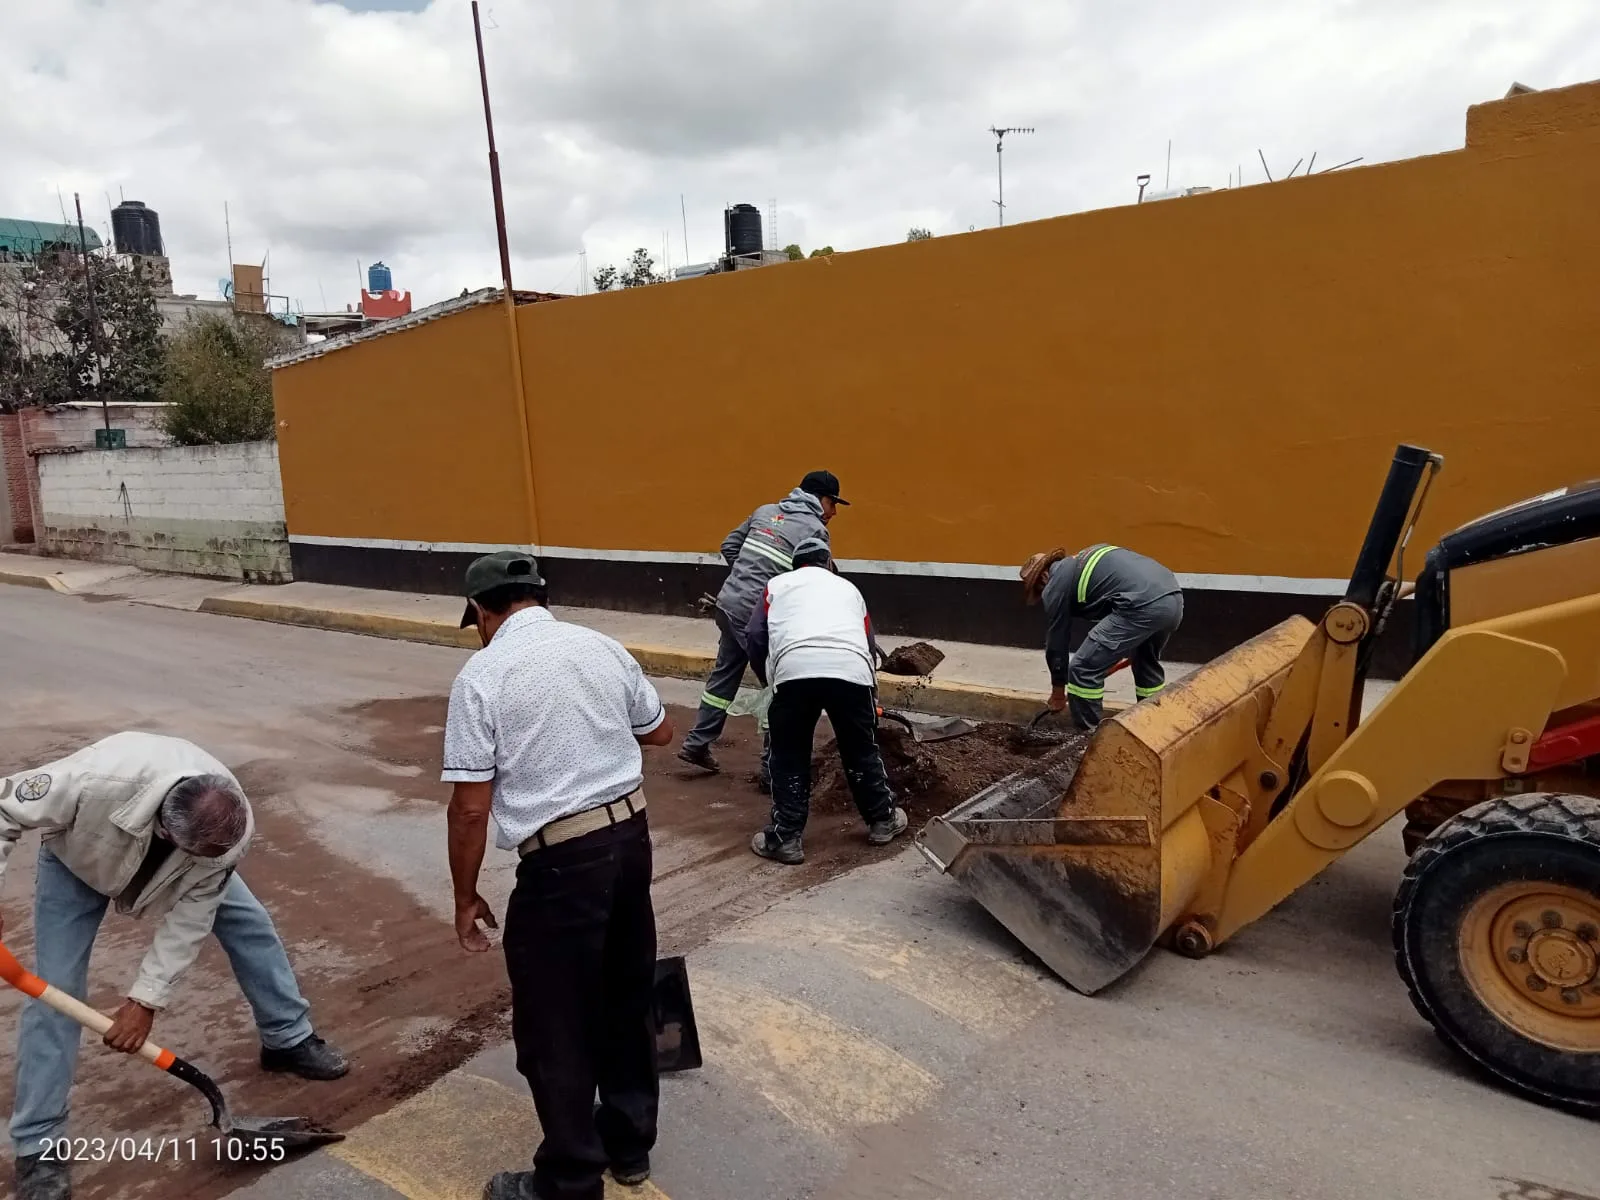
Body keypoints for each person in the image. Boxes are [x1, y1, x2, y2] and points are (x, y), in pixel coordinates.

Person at [0, 733, 347, 1200]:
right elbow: (3, 807)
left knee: (251, 926)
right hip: (78, 862)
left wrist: (146, 1000)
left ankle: (287, 1038)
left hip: (188, 866)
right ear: (165, 828)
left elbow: (190, 920)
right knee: (55, 993)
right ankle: (38, 1145)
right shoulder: (92, 782)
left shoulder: (224, 839)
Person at [442, 551, 674, 1200]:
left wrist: (464, 897)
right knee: (627, 996)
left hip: (563, 861)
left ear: (485, 613)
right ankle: (629, 1147)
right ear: (539, 598)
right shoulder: (602, 647)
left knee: (554, 1023)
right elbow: (661, 732)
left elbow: (469, 809)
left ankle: (569, 1181)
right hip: (631, 842)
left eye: (478, 620)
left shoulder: (483, 675)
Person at [743, 537, 907, 864]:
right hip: (851, 672)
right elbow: (868, 642)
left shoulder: (775, 586)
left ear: (795, 565)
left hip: (794, 670)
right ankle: (882, 820)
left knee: (789, 754)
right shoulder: (848, 589)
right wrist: (868, 692)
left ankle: (786, 837)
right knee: (861, 749)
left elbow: (754, 635)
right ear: (828, 563)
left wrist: (771, 680)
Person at [677, 470, 848, 776]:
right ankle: (773, 768)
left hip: (728, 604)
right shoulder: (814, 530)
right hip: (759, 618)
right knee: (779, 687)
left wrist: (748, 574)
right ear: (817, 499)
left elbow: (730, 546)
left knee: (724, 677)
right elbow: (818, 580)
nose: (833, 511)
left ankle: (696, 744)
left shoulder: (765, 512)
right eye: (831, 503)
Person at [1020, 543, 1184, 731]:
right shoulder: (1085, 560)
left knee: (1082, 669)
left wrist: (1058, 692)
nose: (1044, 595)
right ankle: (1156, 730)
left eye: (1040, 590)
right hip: (1173, 599)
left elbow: (1057, 642)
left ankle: (1090, 743)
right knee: (1146, 665)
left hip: (1139, 605)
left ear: (1043, 576)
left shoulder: (1055, 583)